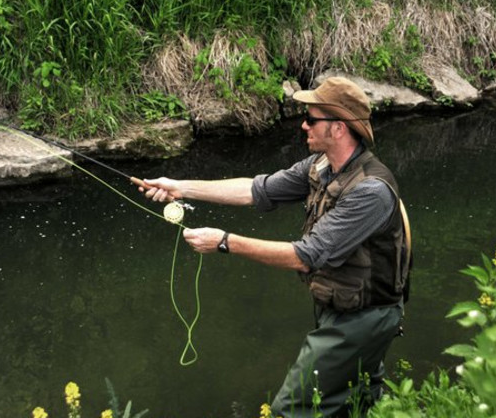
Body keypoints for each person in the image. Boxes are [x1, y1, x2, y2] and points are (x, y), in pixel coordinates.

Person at [138, 76, 411, 417]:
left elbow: (305, 257)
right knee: (356, 402)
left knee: (290, 409)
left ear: (339, 128)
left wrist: (225, 242)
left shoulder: (370, 191)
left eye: (312, 119)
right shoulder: (321, 166)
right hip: (341, 307)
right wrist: (180, 187)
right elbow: (255, 190)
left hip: (364, 319)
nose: (303, 125)